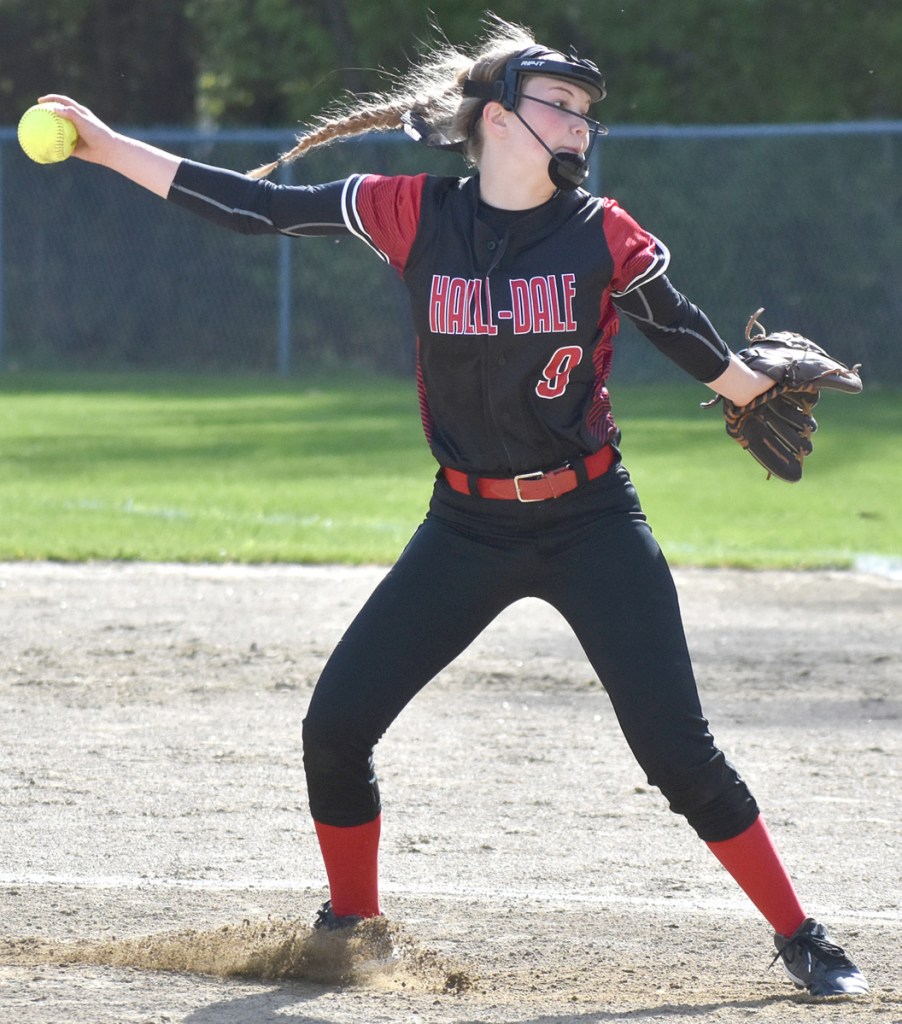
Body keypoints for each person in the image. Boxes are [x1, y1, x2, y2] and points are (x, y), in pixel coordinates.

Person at [40, 14, 867, 999]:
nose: (579, 126)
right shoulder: (409, 212)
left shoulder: (599, 231)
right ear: (496, 116)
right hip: (465, 526)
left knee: (676, 753)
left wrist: (745, 384)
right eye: (560, 105)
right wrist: (100, 143)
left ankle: (799, 934)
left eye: (585, 112)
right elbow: (254, 211)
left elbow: (676, 325)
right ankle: (353, 928)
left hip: (590, 518)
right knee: (335, 725)